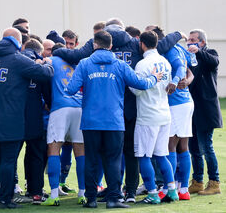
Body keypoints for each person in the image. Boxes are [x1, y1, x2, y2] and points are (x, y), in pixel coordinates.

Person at [53, 17, 186, 202]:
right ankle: (127, 193)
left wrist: (55, 50)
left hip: (95, 114)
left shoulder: (88, 59)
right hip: (128, 109)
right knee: (129, 154)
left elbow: (74, 58)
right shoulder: (131, 49)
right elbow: (158, 46)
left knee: (96, 156)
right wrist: (177, 35)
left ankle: (92, 197)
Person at [65, 30, 162, 209]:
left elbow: (70, 89)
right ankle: (113, 198)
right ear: (111, 46)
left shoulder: (85, 64)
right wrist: (154, 78)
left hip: (91, 121)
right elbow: (140, 83)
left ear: (95, 45)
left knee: (92, 160)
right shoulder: (120, 65)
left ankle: (91, 199)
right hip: (114, 121)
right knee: (113, 160)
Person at [0, 28, 53, 209]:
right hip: (10, 120)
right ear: (19, 42)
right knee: (7, 161)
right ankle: (5, 199)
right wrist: (48, 63)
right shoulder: (18, 60)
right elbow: (45, 74)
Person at [130, 31, 178, 204]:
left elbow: (137, 89)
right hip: (164, 112)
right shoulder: (165, 62)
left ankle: (152, 193)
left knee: (143, 155)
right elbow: (168, 85)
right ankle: (172, 190)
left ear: (142, 44)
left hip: (147, 114)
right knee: (161, 155)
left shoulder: (142, 64)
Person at [150, 25, 195, 200]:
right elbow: (190, 71)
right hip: (184, 102)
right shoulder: (180, 49)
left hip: (177, 103)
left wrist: (175, 82)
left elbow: (181, 69)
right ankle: (182, 188)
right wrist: (188, 81)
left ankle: (173, 188)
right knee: (182, 145)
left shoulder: (170, 51)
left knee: (171, 145)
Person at [41, 42, 85, 206]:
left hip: (60, 108)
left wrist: (48, 101)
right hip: (79, 108)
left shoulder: (50, 60)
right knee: (80, 151)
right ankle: (82, 193)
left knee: (54, 147)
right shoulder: (79, 62)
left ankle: (54, 195)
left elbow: (44, 80)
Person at [187, 29, 222, 195]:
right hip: (192, 109)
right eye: (189, 40)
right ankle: (198, 181)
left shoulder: (209, 53)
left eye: (193, 40)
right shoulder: (190, 58)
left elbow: (213, 62)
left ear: (201, 42)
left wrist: (199, 52)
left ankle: (214, 182)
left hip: (207, 109)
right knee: (193, 148)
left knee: (206, 146)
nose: (189, 43)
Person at [21, 39, 51, 204]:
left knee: (10, 157)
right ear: (39, 52)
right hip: (34, 117)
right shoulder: (40, 66)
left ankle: (7, 191)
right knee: (36, 155)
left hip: (15, 116)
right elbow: (47, 92)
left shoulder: (16, 60)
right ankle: (36, 192)